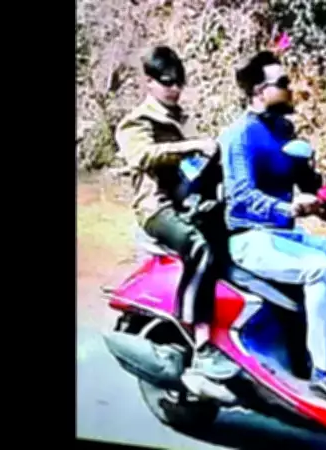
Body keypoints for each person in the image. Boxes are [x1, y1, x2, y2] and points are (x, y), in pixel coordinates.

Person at [217, 51, 326, 403]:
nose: (291, 89)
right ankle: (322, 373)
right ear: (259, 91)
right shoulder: (239, 135)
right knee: (319, 269)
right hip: (250, 237)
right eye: (283, 83)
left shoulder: (283, 131)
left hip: (286, 235)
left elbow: (309, 183)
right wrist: (286, 207)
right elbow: (241, 196)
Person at [113, 45, 237, 380]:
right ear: (150, 82)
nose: (175, 88)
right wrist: (191, 146)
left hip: (193, 204)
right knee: (199, 248)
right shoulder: (135, 122)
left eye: (179, 82)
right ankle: (203, 344)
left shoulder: (182, 119)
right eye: (167, 82)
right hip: (157, 208)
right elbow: (142, 156)